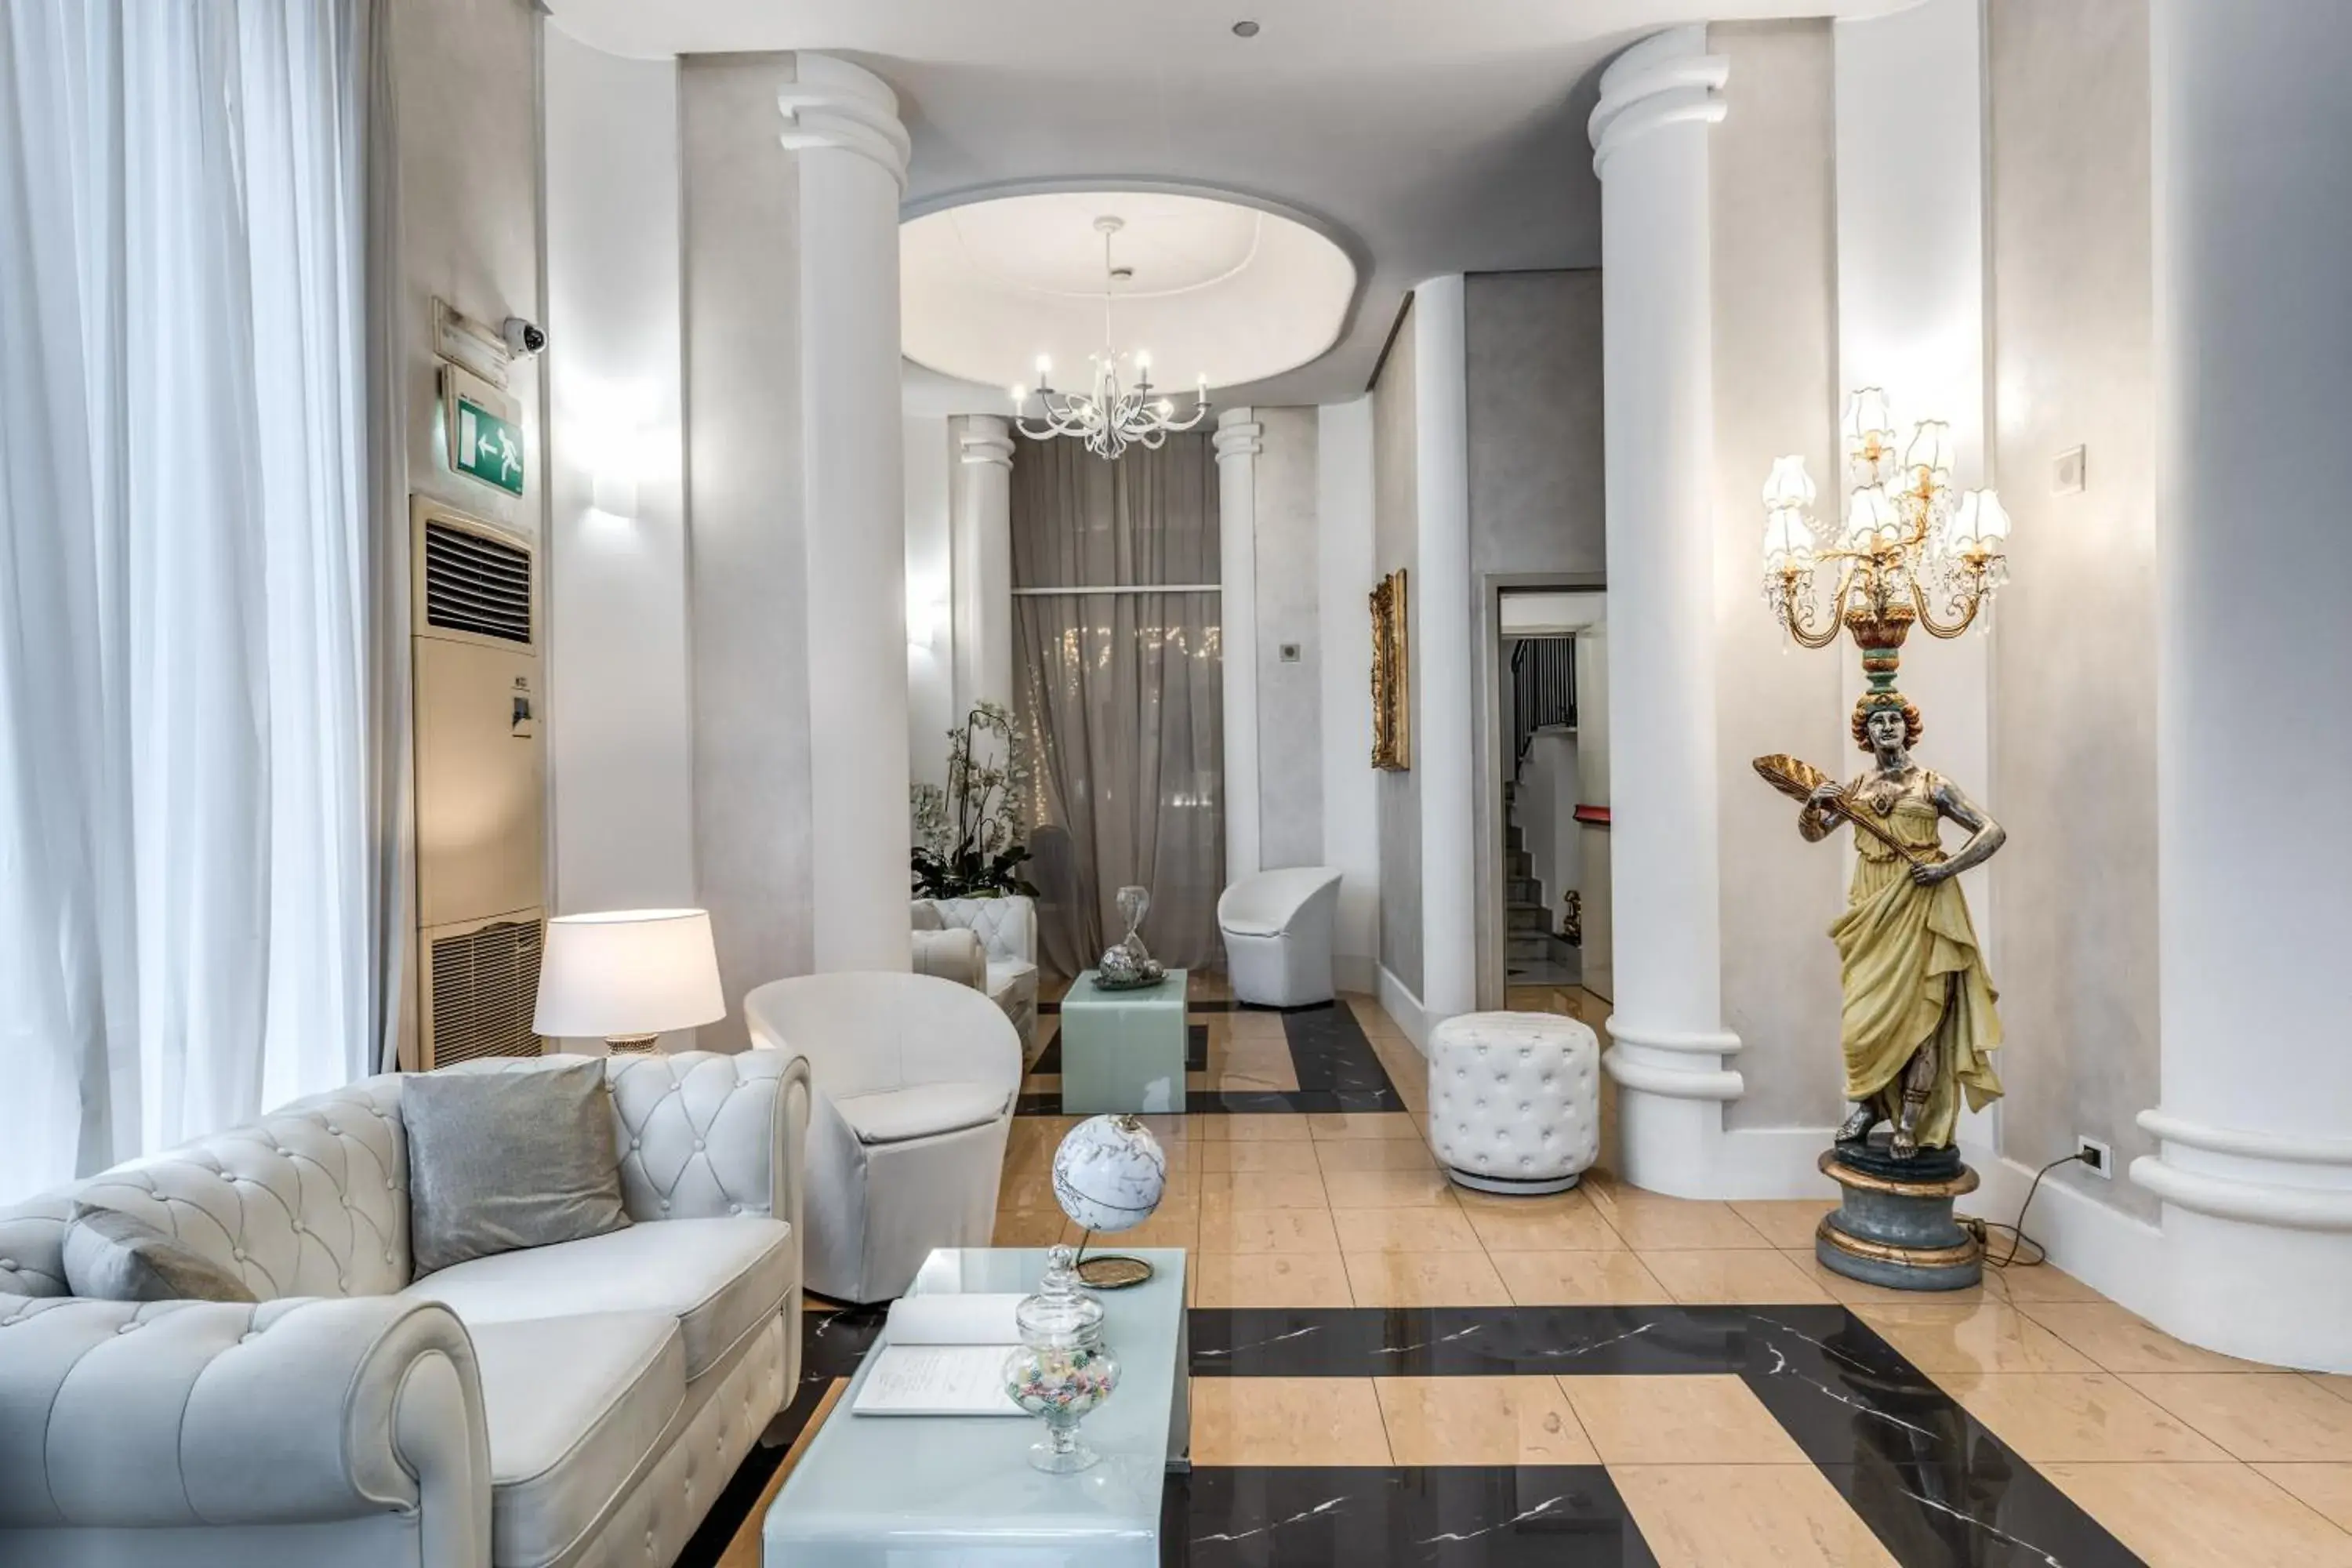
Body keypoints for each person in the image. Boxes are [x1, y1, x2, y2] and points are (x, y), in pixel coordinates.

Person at [1798, 692, 2005, 1158]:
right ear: (1865, 732)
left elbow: (1992, 831)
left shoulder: (1934, 785)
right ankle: (1870, 1105)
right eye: (1878, 721)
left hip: (1926, 906)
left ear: (1908, 727)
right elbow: (1815, 832)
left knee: (1924, 1018)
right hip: (1872, 914)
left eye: (1894, 719)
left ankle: (1909, 1123)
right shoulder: (1854, 790)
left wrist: (1946, 868)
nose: (1887, 727)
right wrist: (1812, 803)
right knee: (1863, 1023)